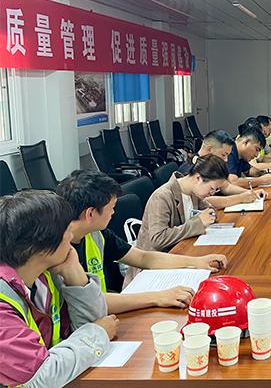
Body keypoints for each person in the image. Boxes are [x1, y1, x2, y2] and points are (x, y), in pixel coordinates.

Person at [56, 170, 228, 314]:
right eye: (112, 208)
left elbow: (143, 258)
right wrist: (157, 297)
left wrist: (196, 262)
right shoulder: (57, 250)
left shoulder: (96, 233)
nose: (113, 213)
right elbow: (91, 301)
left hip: (101, 314)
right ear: (90, 214)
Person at [0, 190, 119, 387]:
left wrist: (75, 274)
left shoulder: (45, 275)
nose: (71, 236)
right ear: (42, 244)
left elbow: (93, 323)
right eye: (66, 230)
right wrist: (98, 335)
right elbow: (42, 377)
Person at [137, 154, 229, 253]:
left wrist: (211, 214)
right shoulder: (162, 197)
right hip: (158, 256)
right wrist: (197, 223)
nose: (212, 193)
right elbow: (158, 239)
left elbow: (209, 211)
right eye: (212, 188)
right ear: (198, 178)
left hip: (182, 248)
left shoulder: (194, 191)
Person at [178, 130, 264, 209]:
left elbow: (226, 186)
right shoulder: (190, 170)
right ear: (209, 149)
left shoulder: (211, 166)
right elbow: (204, 201)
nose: (226, 160)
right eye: (223, 155)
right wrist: (240, 198)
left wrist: (250, 193)